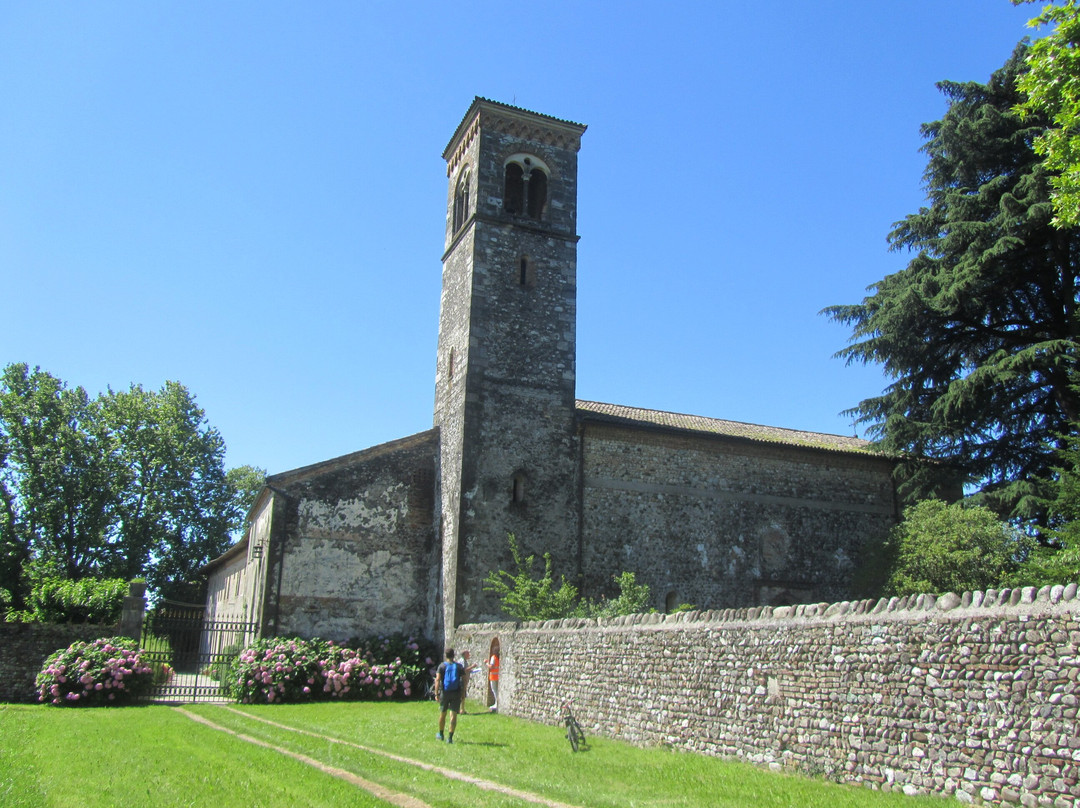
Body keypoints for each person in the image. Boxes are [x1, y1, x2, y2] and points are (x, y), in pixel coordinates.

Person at [435, 648, 464, 743]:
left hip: (445, 692)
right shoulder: (459, 666)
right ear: (453, 655)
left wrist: (436, 693)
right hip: (456, 692)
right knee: (453, 715)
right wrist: (463, 694)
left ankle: (441, 734)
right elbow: (463, 681)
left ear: (445, 655)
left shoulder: (442, 666)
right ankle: (450, 738)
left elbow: (438, 680)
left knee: (443, 713)